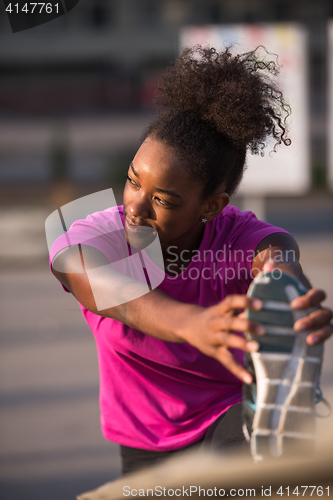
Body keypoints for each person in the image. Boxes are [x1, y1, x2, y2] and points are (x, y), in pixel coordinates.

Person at [49, 46, 333, 474]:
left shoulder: (239, 238)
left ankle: (273, 425)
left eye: (162, 199)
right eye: (132, 180)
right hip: (144, 440)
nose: (136, 206)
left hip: (228, 417)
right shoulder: (96, 236)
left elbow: (275, 253)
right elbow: (106, 289)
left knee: (242, 456)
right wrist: (191, 324)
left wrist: (289, 295)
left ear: (211, 206)